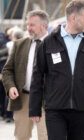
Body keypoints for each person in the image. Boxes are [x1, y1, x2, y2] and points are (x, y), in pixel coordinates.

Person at [28, 1, 84, 140]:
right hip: (55, 109)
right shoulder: (48, 42)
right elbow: (37, 76)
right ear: (73, 18)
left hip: (82, 110)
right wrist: (34, 108)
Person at [2, 10, 49, 140]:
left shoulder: (56, 44)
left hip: (47, 100)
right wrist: (10, 87)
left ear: (44, 25)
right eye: (27, 24)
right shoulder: (19, 44)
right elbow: (7, 70)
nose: (28, 28)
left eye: (32, 25)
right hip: (23, 98)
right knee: (21, 137)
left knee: (45, 136)